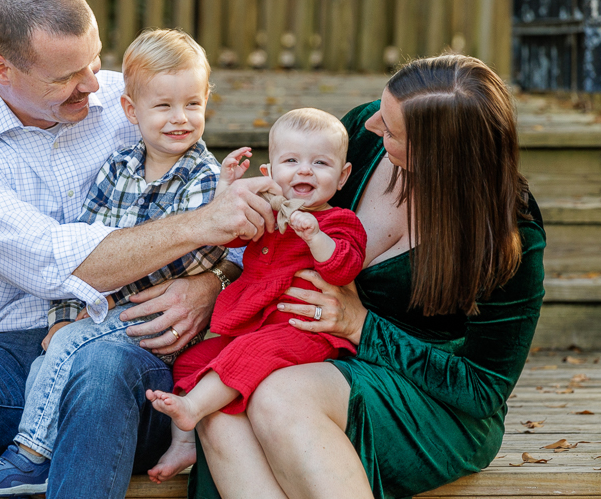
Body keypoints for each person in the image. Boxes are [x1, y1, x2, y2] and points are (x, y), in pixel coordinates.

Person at [0, 0, 278, 499]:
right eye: (65, 77)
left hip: (135, 368)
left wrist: (212, 281)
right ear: (1, 68)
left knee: (100, 361)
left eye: (94, 61)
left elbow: (222, 219)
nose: (92, 85)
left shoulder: (133, 100)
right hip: (10, 372)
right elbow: (61, 263)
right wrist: (200, 227)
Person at [188, 54, 547, 499]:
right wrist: (222, 270)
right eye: (382, 108)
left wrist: (361, 326)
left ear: (437, 155)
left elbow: (481, 389)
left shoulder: (510, 234)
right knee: (221, 408)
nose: (373, 124)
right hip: (312, 351)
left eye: (392, 131)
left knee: (278, 396)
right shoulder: (360, 134)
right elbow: (277, 226)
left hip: (432, 400)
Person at [0, 27, 236, 497]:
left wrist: (111, 286)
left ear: (207, 100)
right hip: (104, 312)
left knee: (72, 347)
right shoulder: (117, 168)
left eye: (192, 104)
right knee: (61, 342)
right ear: (131, 111)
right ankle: (44, 445)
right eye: (163, 106)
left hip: (159, 326)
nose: (180, 119)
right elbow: (84, 253)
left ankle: (30, 454)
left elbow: (196, 256)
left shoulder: (205, 179)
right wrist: (67, 314)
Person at [145, 108, 368, 483]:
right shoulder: (268, 212)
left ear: (343, 175)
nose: (305, 171)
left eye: (320, 163)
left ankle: (192, 407)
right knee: (192, 360)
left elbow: (344, 268)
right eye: (291, 161)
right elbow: (230, 236)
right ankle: (183, 442)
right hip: (256, 329)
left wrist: (316, 238)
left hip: (305, 333)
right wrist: (225, 190)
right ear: (269, 172)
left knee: (245, 354)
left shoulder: (340, 222)